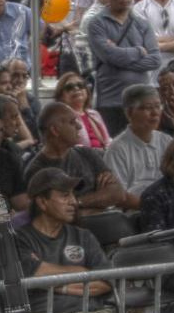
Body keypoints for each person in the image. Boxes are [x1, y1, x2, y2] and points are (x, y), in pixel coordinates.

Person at [14, 169, 118, 313]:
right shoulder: (19, 239)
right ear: (42, 202)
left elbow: (105, 282)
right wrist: (85, 273)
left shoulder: (83, 236)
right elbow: (35, 274)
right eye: (65, 196)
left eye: (73, 195)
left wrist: (55, 285)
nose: (74, 202)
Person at [26, 102, 135, 246]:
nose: (79, 126)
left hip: (105, 225)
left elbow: (117, 193)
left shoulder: (86, 153)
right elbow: (57, 214)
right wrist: (99, 201)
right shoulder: (38, 169)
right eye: (72, 122)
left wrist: (78, 202)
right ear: (55, 130)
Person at [85, 0, 161, 133]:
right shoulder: (96, 24)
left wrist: (119, 56)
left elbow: (155, 60)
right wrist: (139, 51)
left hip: (141, 101)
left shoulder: (142, 23)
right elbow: (109, 56)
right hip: (111, 101)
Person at [103, 85, 172, 204]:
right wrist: (151, 207)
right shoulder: (117, 150)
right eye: (148, 108)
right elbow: (119, 195)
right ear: (129, 112)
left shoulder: (166, 141)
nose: (155, 113)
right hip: (137, 212)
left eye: (158, 106)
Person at [51, 73, 112, 149]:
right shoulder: (60, 118)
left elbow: (107, 141)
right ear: (61, 96)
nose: (76, 89)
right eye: (69, 87)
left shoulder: (94, 114)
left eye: (80, 85)